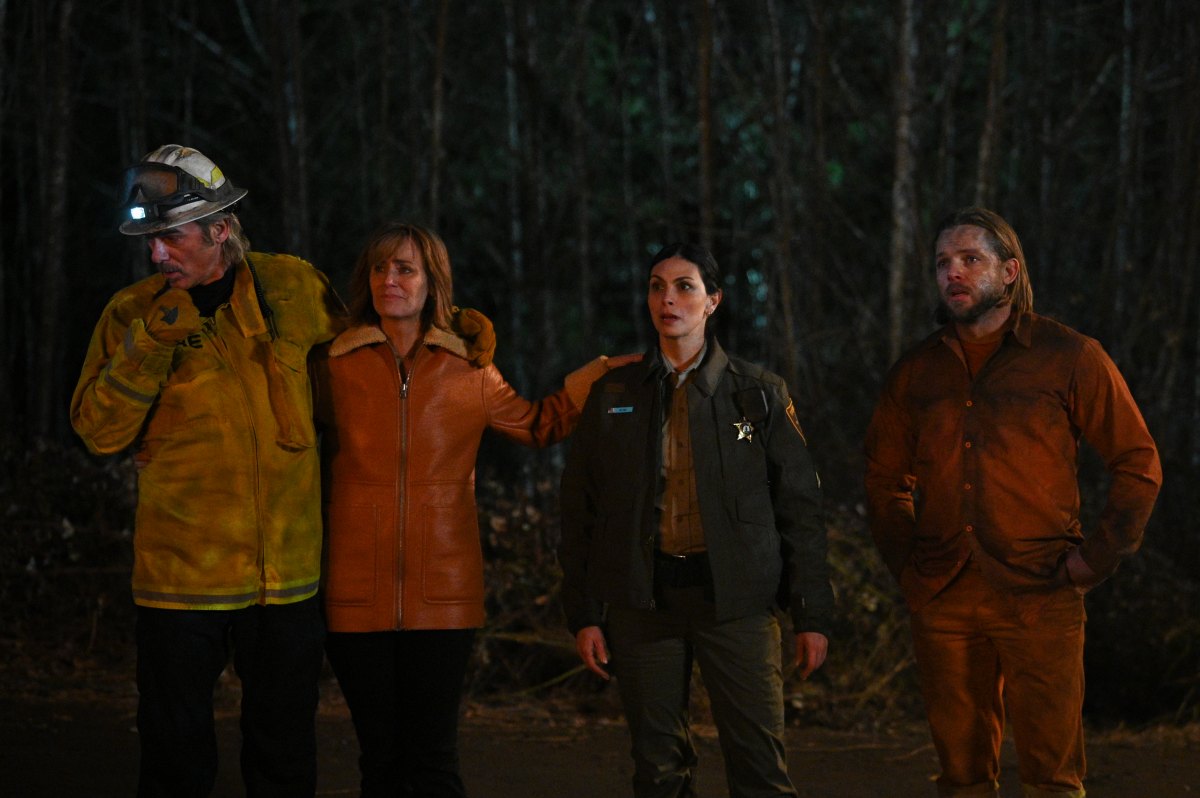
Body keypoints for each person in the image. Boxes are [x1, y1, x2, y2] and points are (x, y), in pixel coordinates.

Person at [68, 146, 490, 797]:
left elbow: (370, 346)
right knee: (175, 756)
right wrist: (148, 345)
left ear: (220, 228)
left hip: (287, 581)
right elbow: (98, 432)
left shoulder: (291, 287)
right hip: (181, 583)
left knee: (284, 756)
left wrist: (451, 332)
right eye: (151, 241)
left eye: (172, 237)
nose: (157, 255)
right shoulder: (132, 314)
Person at [313, 221, 636, 797]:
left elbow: (539, 424)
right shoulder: (332, 365)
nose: (390, 280)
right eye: (380, 268)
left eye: (405, 269)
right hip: (352, 592)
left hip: (444, 595)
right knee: (379, 762)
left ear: (432, 282)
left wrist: (603, 375)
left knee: (433, 762)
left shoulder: (468, 368)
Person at [864, 207, 1162, 798]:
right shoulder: (917, 372)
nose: (953, 272)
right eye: (943, 263)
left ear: (1009, 271)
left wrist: (1094, 558)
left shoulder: (1068, 356)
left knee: (1053, 776)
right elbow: (882, 480)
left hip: (1040, 592)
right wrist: (910, 565)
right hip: (944, 596)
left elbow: (1138, 462)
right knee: (962, 776)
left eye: (971, 259)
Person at [558, 242, 834, 798]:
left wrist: (812, 613)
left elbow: (800, 509)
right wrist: (584, 613)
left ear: (713, 301)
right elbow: (580, 508)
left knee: (759, 768)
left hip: (738, 604)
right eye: (657, 287)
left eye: (685, 286)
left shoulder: (757, 393)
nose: (668, 299)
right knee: (658, 769)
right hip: (644, 604)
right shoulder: (613, 393)